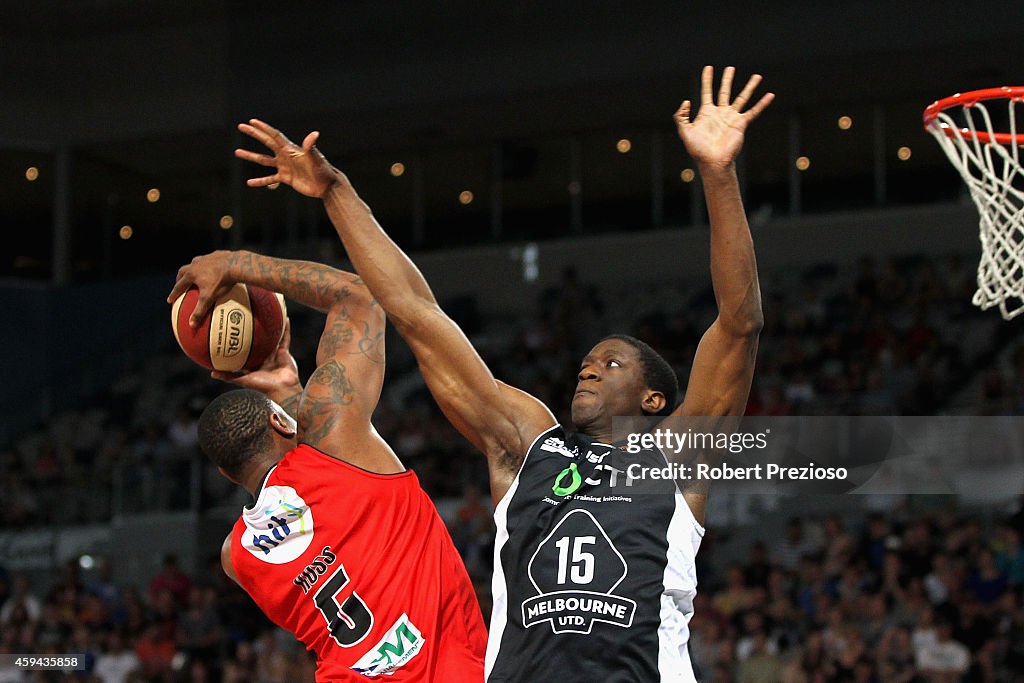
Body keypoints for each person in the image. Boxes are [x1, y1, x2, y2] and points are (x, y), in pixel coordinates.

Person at [232, 64, 771, 680]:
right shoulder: (527, 444)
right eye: (588, 361)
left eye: (612, 363)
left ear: (654, 401)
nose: (589, 371)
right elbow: (415, 313)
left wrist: (718, 174)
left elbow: (739, 325)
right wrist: (336, 192)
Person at [166, 253, 486, 680]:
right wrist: (235, 264)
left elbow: (308, 512)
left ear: (227, 474)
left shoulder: (236, 557)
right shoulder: (338, 449)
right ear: (280, 420)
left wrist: (286, 390)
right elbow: (360, 297)